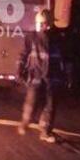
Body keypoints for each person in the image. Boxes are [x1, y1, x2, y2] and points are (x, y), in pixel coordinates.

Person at [18, 9, 61, 143]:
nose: (45, 27)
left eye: (46, 24)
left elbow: (63, 58)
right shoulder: (31, 37)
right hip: (36, 76)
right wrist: (19, 69)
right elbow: (23, 54)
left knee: (50, 105)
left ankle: (45, 131)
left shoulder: (57, 38)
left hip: (51, 77)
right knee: (32, 102)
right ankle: (25, 122)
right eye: (42, 24)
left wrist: (66, 74)